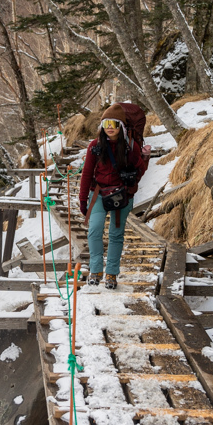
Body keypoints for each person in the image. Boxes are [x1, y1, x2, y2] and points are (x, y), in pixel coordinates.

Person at [78, 104, 151, 289]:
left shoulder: (130, 146)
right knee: (94, 231)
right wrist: (82, 199)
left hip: (121, 195)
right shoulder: (95, 146)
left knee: (115, 235)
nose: (109, 127)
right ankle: (95, 270)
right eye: (106, 123)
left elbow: (139, 171)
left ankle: (111, 273)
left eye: (114, 123)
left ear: (121, 126)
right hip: (98, 194)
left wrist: (144, 160)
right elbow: (86, 173)